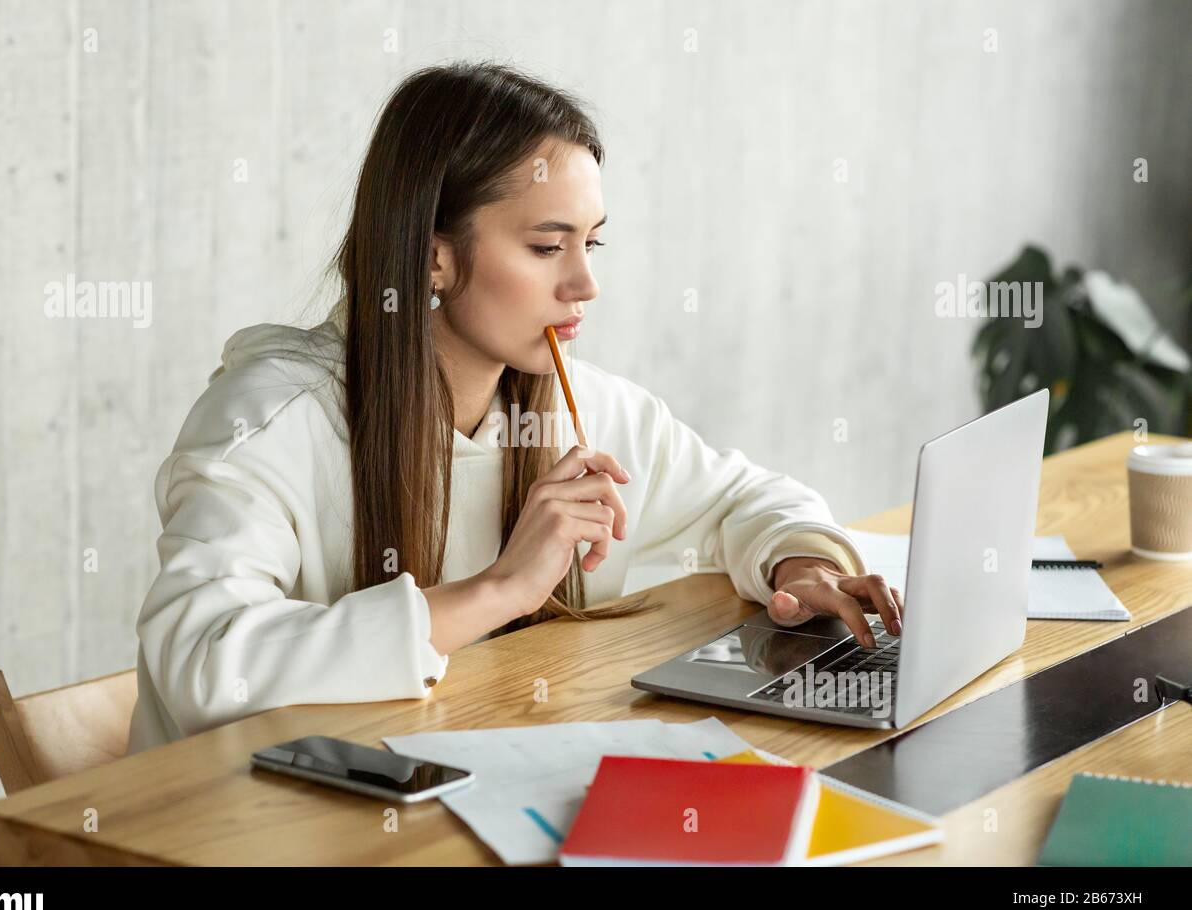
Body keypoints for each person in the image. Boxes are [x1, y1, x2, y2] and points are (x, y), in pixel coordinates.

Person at [126, 61, 901, 754]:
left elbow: (745, 496)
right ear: (435, 255)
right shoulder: (268, 419)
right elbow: (204, 663)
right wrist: (500, 589)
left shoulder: (571, 405)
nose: (584, 285)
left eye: (590, 244)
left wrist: (802, 563)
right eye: (544, 247)